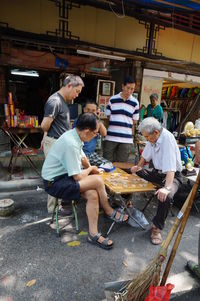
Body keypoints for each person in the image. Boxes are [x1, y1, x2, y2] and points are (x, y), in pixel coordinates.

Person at [41, 113, 128, 250]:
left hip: (63, 177)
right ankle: (109, 211)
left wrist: (90, 168)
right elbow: (78, 177)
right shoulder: (70, 143)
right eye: (95, 133)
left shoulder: (75, 135)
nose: (96, 136)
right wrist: (92, 169)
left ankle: (93, 234)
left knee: (93, 194)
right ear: (87, 131)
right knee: (98, 181)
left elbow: (83, 158)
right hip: (54, 183)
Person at [131, 117, 183, 245]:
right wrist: (138, 167)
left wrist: (166, 188)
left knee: (167, 196)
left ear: (156, 132)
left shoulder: (168, 139)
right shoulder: (153, 137)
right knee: (132, 170)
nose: (147, 140)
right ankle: (126, 205)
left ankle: (157, 228)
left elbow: (171, 167)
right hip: (158, 173)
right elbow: (145, 155)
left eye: (147, 137)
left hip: (173, 176)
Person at [40, 75, 84, 215]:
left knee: (62, 175)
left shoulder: (63, 101)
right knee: (55, 177)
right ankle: (52, 210)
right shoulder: (55, 101)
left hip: (58, 142)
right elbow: (45, 125)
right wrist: (46, 138)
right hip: (55, 143)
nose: (77, 95)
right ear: (69, 85)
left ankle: (59, 207)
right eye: (77, 91)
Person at [103, 76, 139, 162]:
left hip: (126, 139)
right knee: (106, 162)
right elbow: (108, 117)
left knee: (121, 165)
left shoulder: (135, 103)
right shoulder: (112, 99)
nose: (129, 91)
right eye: (128, 88)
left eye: (132, 89)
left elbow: (134, 121)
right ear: (123, 86)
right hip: (111, 137)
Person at [73, 100, 109, 167]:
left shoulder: (96, 121)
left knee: (108, 165)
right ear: (84, 109)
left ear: (96, 111)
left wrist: (98, 118)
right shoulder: (79, 120)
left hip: (91, 153)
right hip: (81, 153)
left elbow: (104, 133)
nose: (90, 113)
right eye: (88, 110)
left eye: (93, 111)